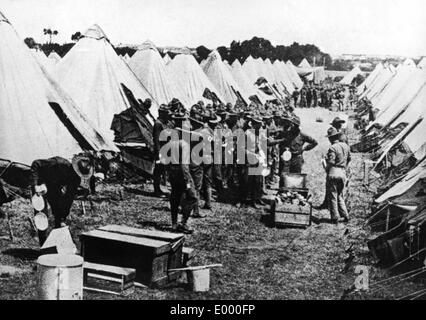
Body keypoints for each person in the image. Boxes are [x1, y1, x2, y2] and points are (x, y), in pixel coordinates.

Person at [30, 154, 96, 245]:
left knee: (59, 213)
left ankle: (58, 242)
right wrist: (36, 185)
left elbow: (68, 199)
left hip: (54, 187)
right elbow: (36, 164)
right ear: (74, 167)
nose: (76, 175)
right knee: (41, 214)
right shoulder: (58, 163)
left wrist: (63, 217)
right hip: (41, 184)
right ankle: (43, 244)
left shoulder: (75, 179)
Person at [166, 109, 197, 233]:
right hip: (182, 173)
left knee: (175, 196)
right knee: (192, 196)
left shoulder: (171, 142)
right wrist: (187, 180)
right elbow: (184, 165)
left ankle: (174, 223)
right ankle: (183, 223)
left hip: (173, 172)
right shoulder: (184, 144)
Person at [324, 128, 351, 224]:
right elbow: (349, 159)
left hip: (333, 172)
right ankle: (345, 215)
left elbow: (331, 162)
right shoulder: (346, 146)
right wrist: (344, 167)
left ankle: (334, 217)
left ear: (331, 138)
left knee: (332, 196)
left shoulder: (333, 148)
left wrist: (326, 162)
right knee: (340, 195)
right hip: (342, 172)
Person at [152, 104, 170, 198]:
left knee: (161, 170)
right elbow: (156, 140)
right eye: (166, 113)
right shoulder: (158, 124)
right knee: (158, 170)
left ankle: (159, 189)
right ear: (162, 113)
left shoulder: (163, 123)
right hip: (160, 151)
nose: (168, 115)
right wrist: (158, 153)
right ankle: (156, 190)